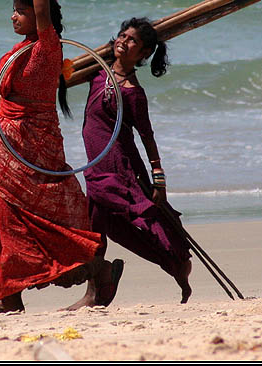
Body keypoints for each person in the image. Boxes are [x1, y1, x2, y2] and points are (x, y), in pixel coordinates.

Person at [0, 0, 123, 316]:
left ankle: (97, 271)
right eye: (14, 10)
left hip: (32, 149)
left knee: (43, 221)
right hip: (9, 152)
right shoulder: (22, 48)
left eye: (20, 11)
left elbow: (43, 15)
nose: (13, 16)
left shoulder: (47, 45)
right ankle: (10, 296)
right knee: (8, 219)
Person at [80, 17, 194, 303]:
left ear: (143, 54)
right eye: (122, 35)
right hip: (95, 166)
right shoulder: (97, 70)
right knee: (97, 225)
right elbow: (64, 72)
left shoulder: (132, 92)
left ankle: (178, 263)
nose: (124, 41)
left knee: (145, 219)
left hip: (116, 167)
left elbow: (147, 136)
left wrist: (158, 178)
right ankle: (97, 289)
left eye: (133, 41)